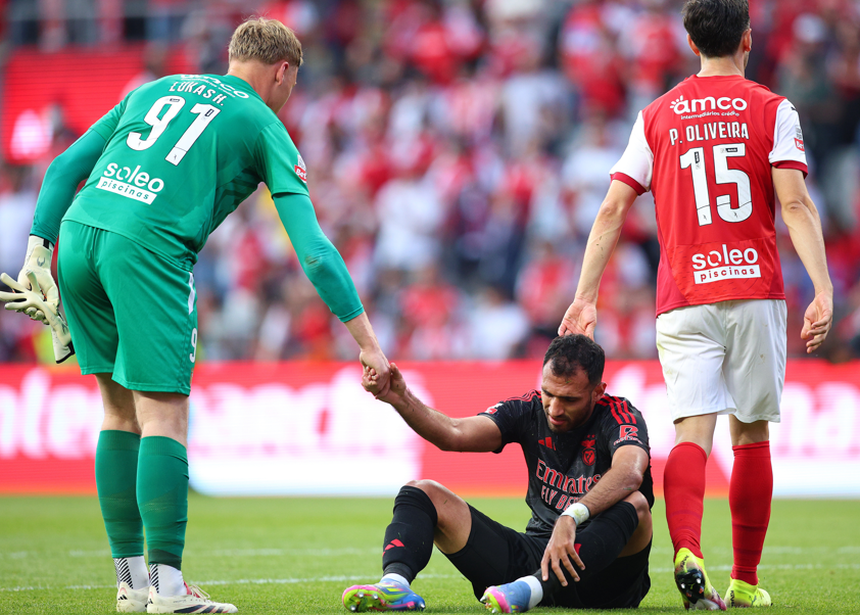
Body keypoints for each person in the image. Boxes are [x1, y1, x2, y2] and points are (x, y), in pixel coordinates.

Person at [0, 17, 390, 615]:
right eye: (292, 82)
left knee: (117, 412)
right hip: (148, 247)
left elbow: (59, 170)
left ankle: (132, 585)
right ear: (282, 71)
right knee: (164, 418)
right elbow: (313, 250)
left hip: (76, 235)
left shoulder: (155, 88)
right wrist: (367, 341)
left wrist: (36, 253)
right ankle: (169, 590)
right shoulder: (264, 123)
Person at [558, 0, 833, 610]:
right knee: (752, 434)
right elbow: (794, 205)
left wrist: (585, 297)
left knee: (691, 430)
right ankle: (745, 582)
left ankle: (688, 549)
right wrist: (824, 286)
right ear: (747, 38)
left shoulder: (655, 115)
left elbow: (611, 209)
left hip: (683, 296)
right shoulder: (773, 108)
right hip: (754, 289)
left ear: (688, 41)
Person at [342, 334, 654, 613]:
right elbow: (453, 433)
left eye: (569, 399)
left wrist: (572, 515)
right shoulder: (528, 410)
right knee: (420, 492)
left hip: (604, 580)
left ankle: (532, 589)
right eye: (549, 393)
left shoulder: (619, 415)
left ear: (598, 391)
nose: (555, 409)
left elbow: (629, 472)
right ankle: (394, 586)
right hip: (534, 556)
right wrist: (400, 397)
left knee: (636, 504)